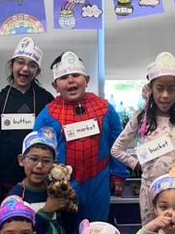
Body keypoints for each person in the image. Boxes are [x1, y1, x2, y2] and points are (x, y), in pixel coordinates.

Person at [111, 51, 175, 223]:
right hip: (149, 191)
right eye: (159, 89)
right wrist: (136, 164)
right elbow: (116, 149)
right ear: (150, 89)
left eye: (171, 89)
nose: (165, 95)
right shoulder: (140, 118)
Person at [34, 51, 128, 221]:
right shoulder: (47, 114)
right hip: (63, 183)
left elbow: (117, 143)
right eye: (64, 77)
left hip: (98, 180)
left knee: (96, 230)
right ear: (55, 86)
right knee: (67, 232)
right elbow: (37, 150)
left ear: (87, 79)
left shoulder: (105, 108)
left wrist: (119, 174)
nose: (71, 80)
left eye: (76, 75)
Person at [6, 128, 79, 234]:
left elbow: (70, 228)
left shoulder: (55, 188)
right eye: (33, 159)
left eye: (46, 161)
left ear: (54, 165)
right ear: (21, 160)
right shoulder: (16, 197)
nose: (39, 166)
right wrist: (47, 210)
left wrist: (71, 204)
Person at [0, 37, 54, 204]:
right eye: (20, 63)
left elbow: (53, 140)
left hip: (40, 173)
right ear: (11, 65)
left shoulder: (46, 99)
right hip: (6, 176)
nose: (25, 69)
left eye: (32, 65)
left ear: (37, 72)